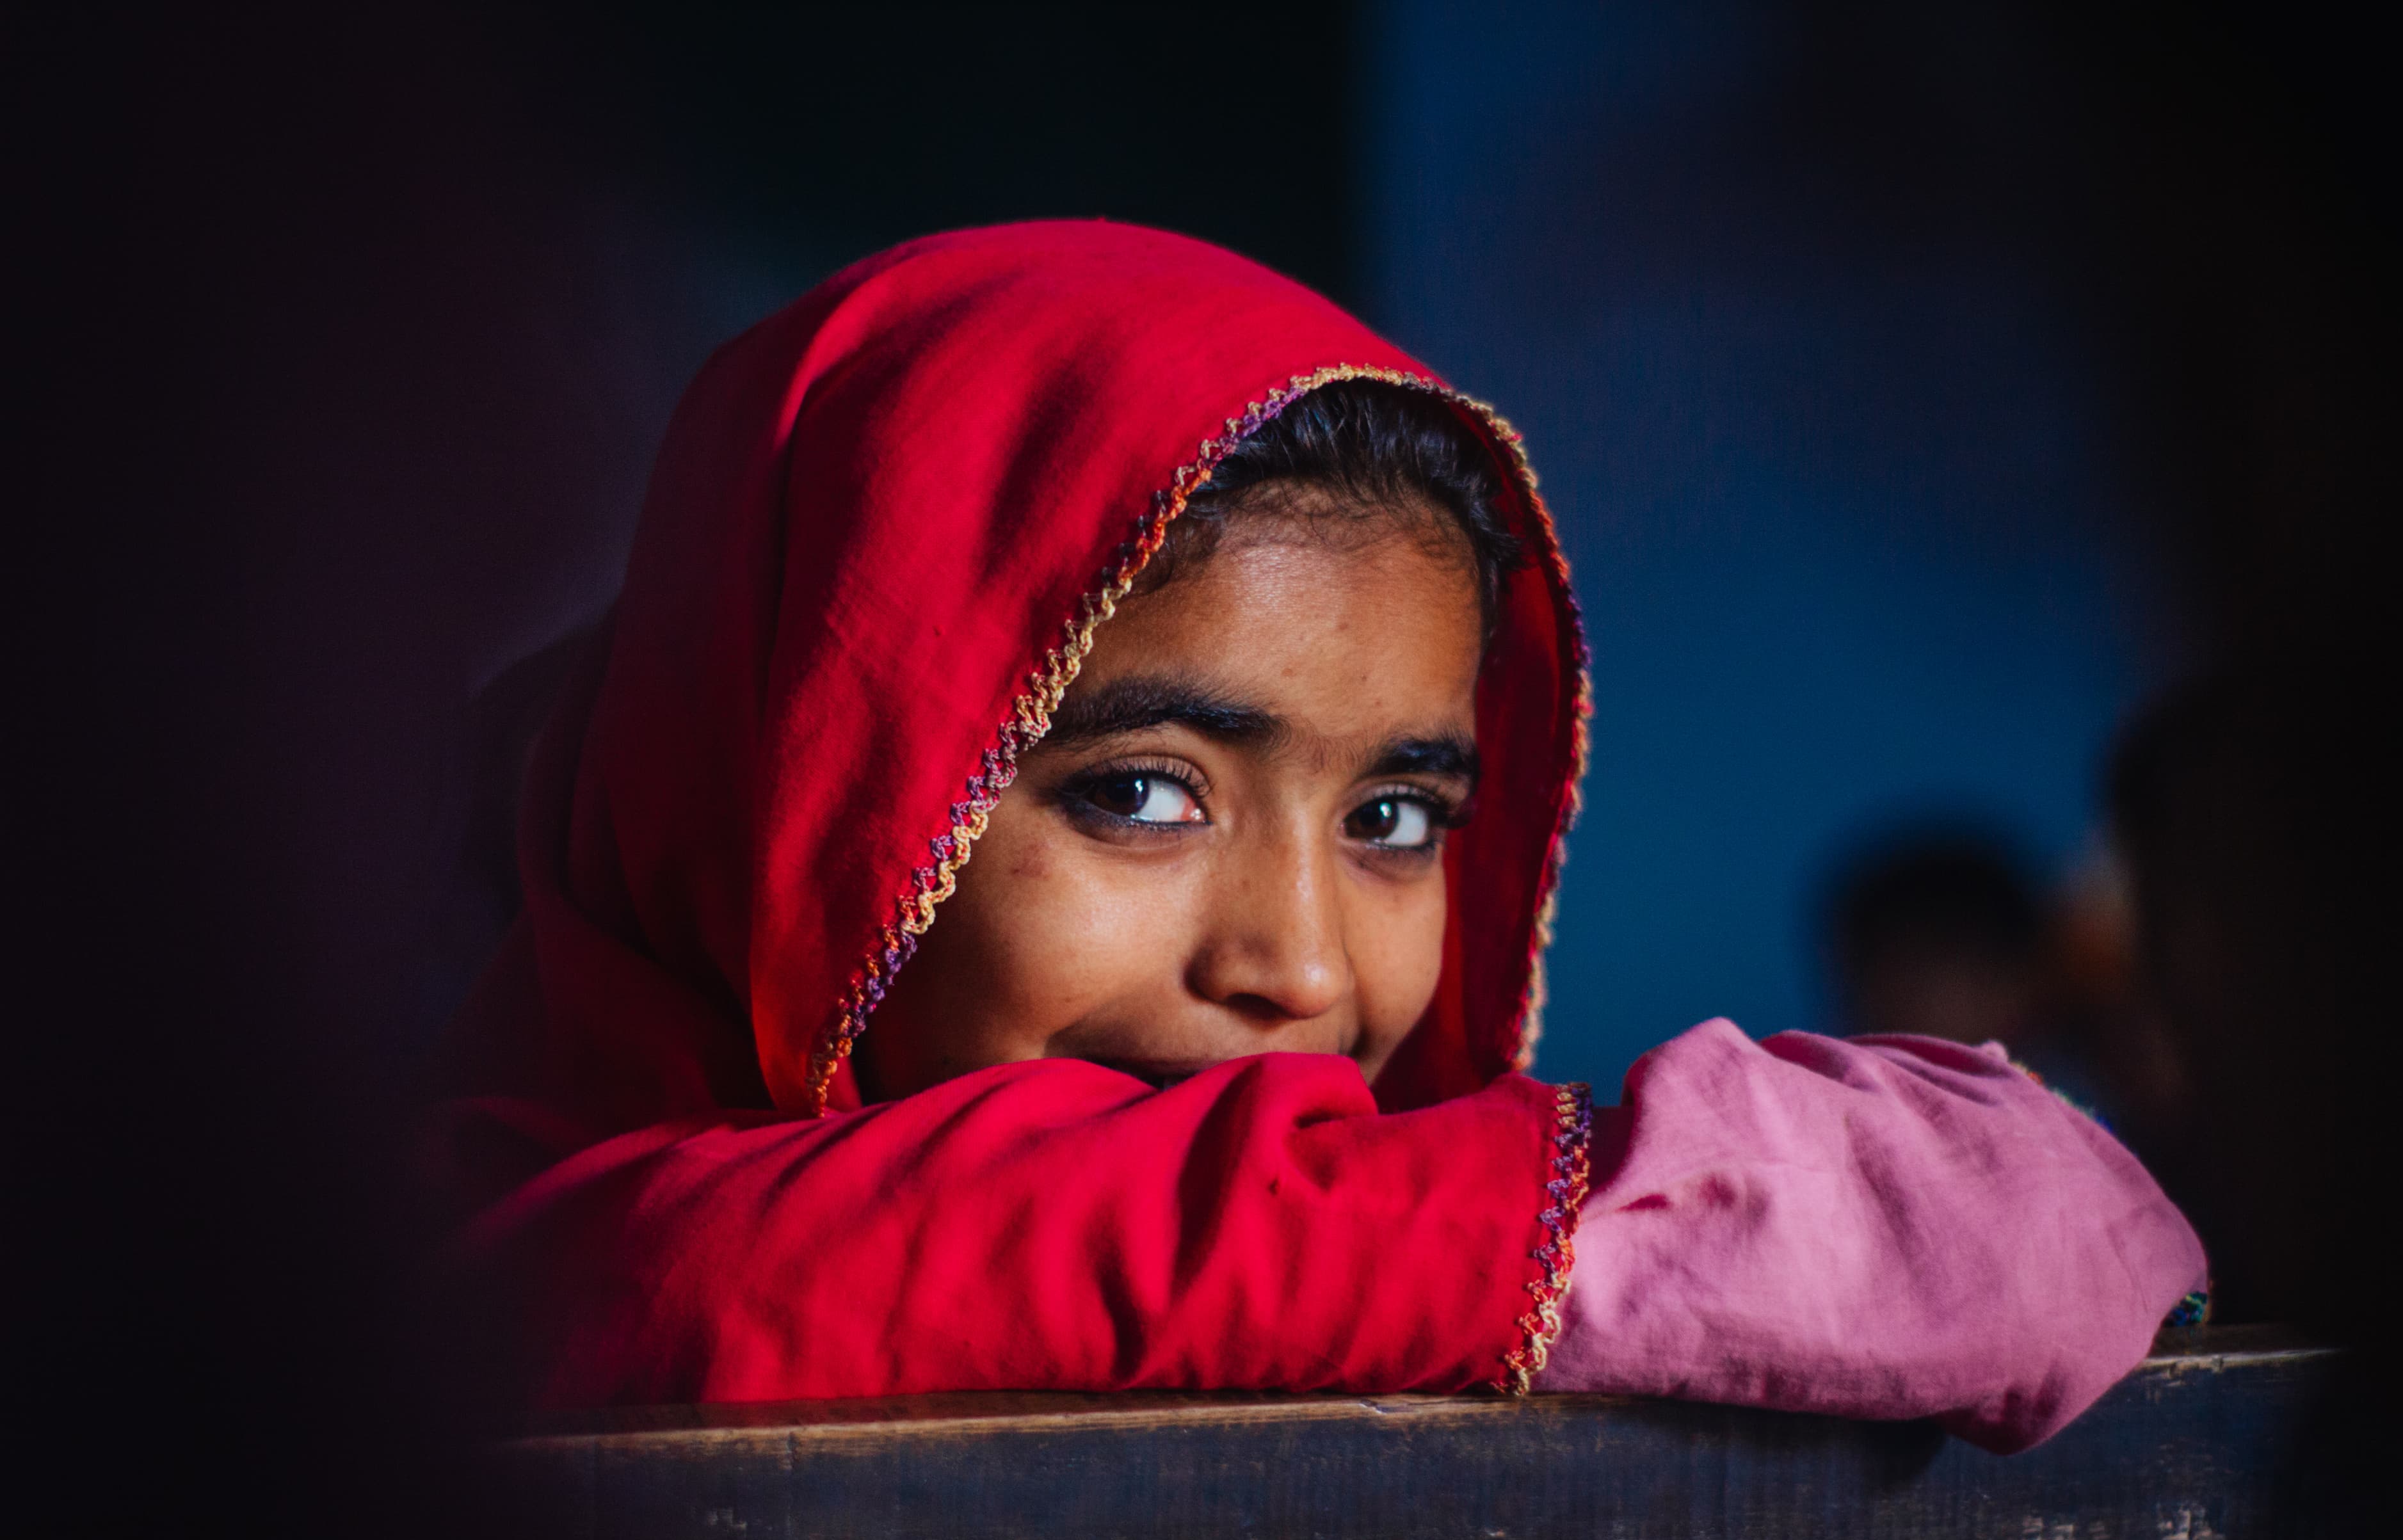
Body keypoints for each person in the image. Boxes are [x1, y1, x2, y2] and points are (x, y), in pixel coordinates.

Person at [438, 222, 2201, 1453]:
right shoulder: (483, 1255)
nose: (1293, 966)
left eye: (1394, 818)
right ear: (783, 780)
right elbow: (699, 1276)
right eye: (1137, 792)